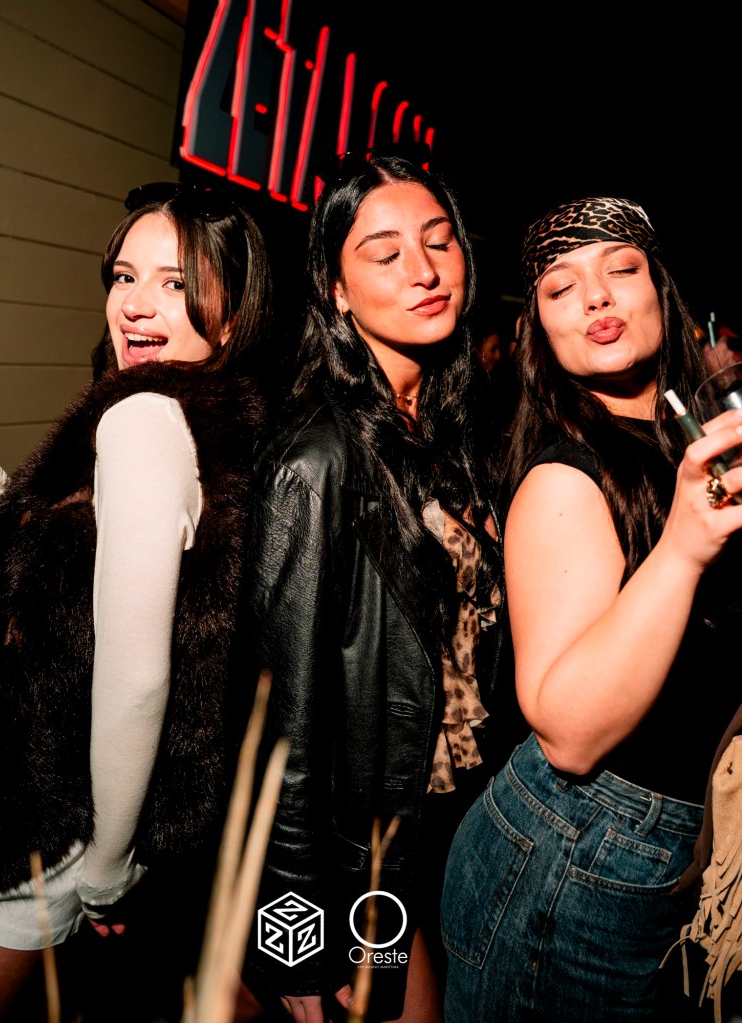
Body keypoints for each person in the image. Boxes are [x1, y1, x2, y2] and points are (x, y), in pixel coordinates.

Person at [0, 181, 271, 1023]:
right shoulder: (198, 415)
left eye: (175, 282)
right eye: (124, 276)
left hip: (28, 825)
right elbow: (89, 589)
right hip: (44, 814)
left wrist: (108, 866)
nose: (136, 305)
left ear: (231, 313)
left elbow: (137, 676)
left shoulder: (143, 419)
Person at [441, 196, 742, 1022]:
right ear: (539, 329)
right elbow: (567, 734)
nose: (596, 297)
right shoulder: (562, 479)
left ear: (660, 291)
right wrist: (682, 547)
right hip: (575, 858)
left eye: (620, 269)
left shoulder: (687, 442)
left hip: (664, 850)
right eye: (561, 288)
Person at [241, 154, 505, 1023]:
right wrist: (292, 941)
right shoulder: (316, 460)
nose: (423, 270)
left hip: (449, 823)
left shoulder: (448, 425)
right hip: (366, 863)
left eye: (438, 242)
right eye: (384, 253)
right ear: (336, 290)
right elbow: (283, 727)